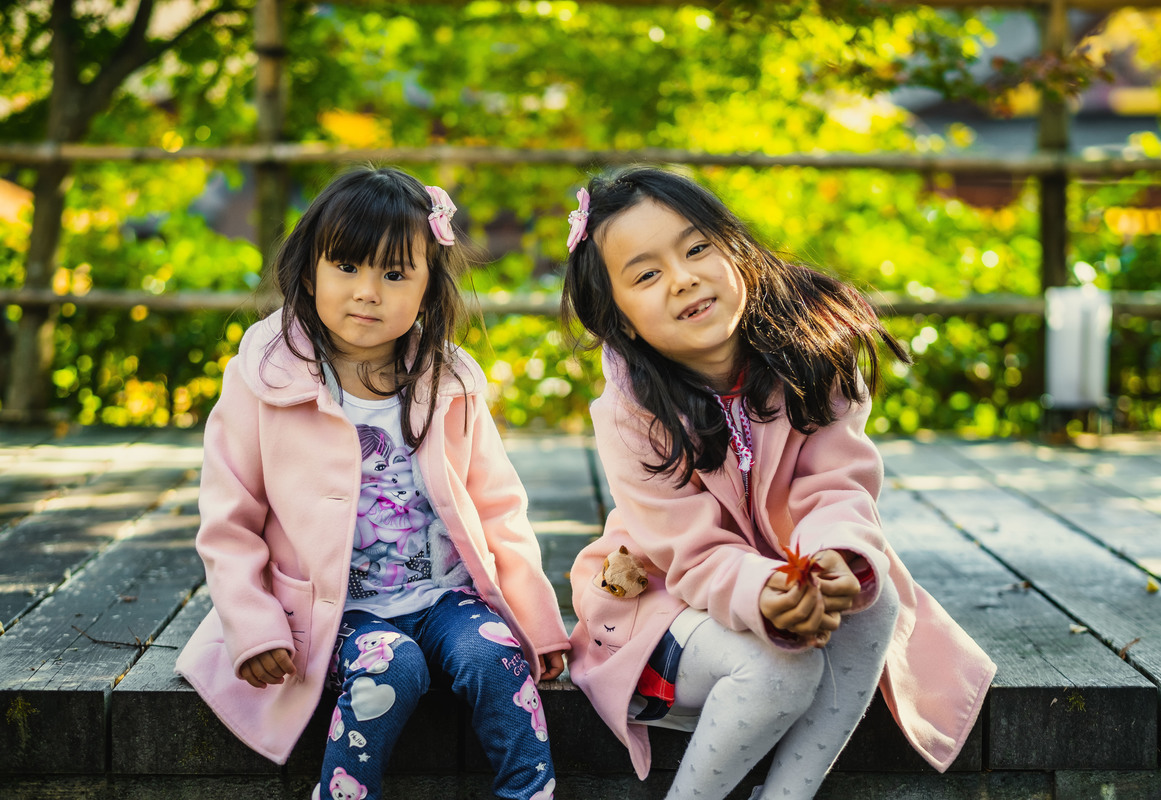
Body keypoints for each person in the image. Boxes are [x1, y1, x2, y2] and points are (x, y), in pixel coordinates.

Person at [561, 166, 995, 800]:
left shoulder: (809, 358)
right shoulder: (631, 409)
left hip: (777, 571)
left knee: (876, 602)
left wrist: (833, 559)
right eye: (647, 274)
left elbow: (837, 485)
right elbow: (689, 553)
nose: (682, 278)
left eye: (697, 248)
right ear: (621, 319)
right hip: (664, 600)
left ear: (735, 248)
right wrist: (762, 591)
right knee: (780, 671)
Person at [176, 165, 567, 800]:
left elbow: (499, 508)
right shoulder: (266, 376)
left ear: (426, 288)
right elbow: (229, 521)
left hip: (445, 595)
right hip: (333, 610)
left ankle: (530, 793)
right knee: (394, 665)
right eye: (348, 268)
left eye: (394, 274)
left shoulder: (449, 380)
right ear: (309, 272)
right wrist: (254, 625)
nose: (368, 292)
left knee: (497, 654)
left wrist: (536, 622)